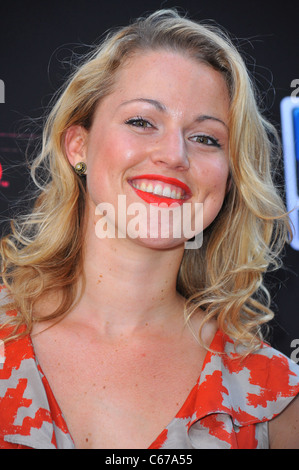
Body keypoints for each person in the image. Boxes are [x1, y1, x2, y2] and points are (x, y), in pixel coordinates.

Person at [0, 9, 298, 450]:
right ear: (78, 145)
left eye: (206, 138)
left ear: (230, 177)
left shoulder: (277, 397)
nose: (174, 154)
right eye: (142, 122)